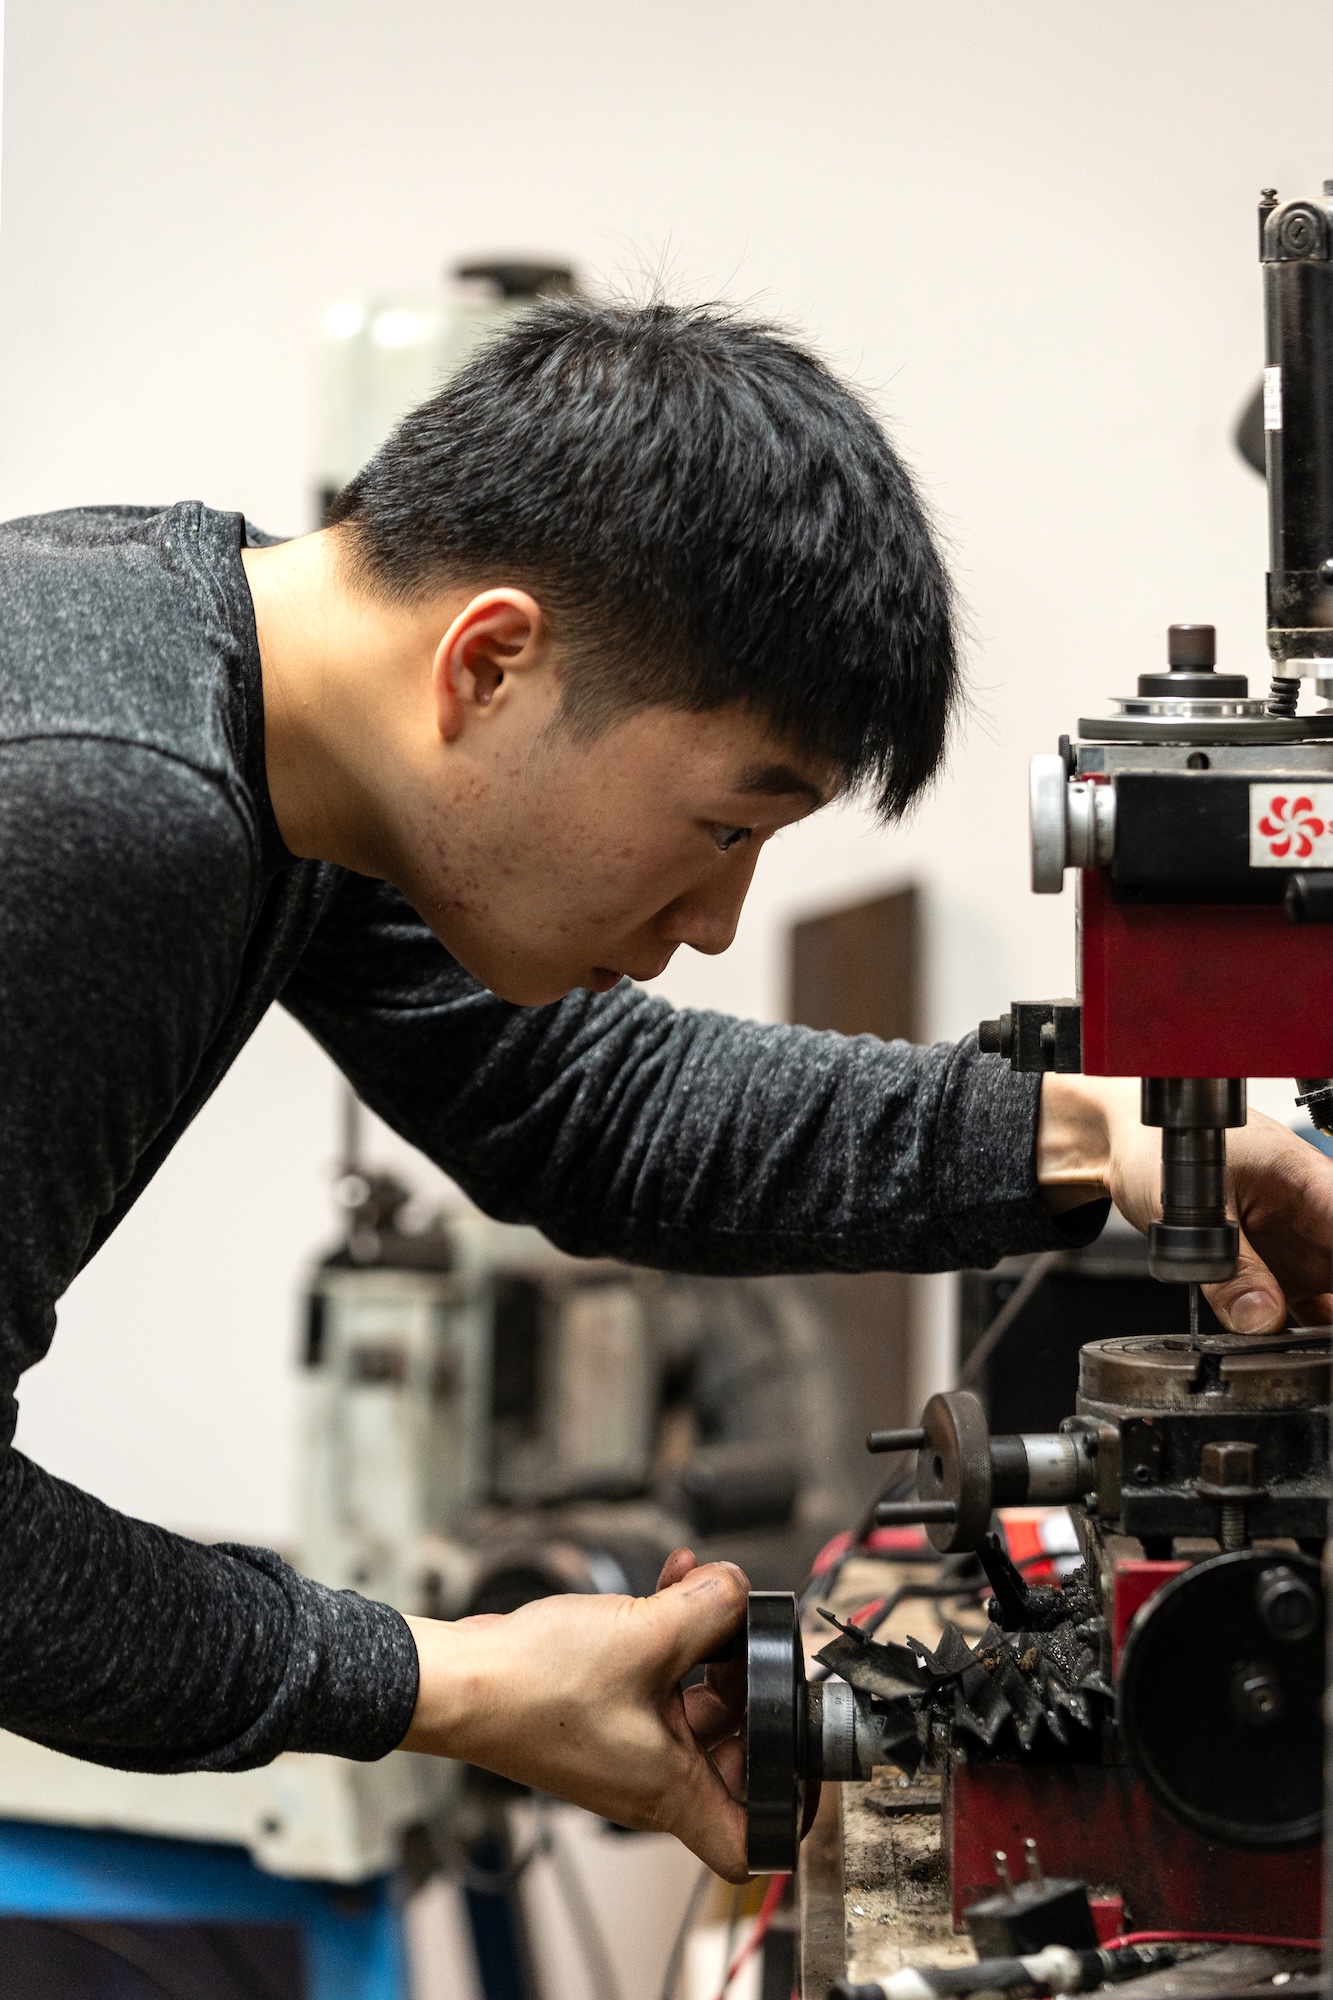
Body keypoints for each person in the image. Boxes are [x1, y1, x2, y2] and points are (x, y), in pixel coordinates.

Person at [0, 299, 1326, 1885]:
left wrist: (1090, 1133)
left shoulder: (224, 680)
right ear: (491, 661)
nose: (716, 926)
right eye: (720, 828)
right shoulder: (101, 801)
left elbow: (581, 1108)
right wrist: (450, 1680)